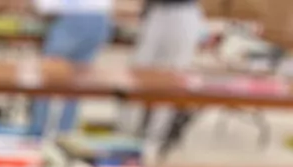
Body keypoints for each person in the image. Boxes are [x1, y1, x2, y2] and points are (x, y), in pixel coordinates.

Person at [118, 0, 204, 143]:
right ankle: (125, 133)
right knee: (138, 72)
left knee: (172, 78)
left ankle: (155, 136)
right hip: (156, 11)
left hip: (183, 12)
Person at [28, 0, 114, 136]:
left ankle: (38, 135)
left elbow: (45, 6)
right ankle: (63, 136)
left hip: (71, 17)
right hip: (99, 19)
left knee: (47, 81)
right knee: (74, 86)